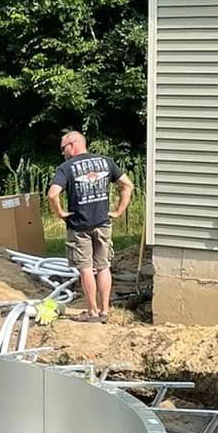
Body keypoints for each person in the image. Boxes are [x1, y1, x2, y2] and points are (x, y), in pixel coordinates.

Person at [47, 131, 133, 324]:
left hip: (79, 226)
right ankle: (104, 311)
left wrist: (60, 213)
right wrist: (118, 211)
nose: (62, 153)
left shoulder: (66, 167)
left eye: (63, 148)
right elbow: (127, 185)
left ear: (73, 144)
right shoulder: (106, 162)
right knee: (103, 267)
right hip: (103, 222)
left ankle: (92, 312)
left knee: (85, 268)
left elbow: (53, 195)